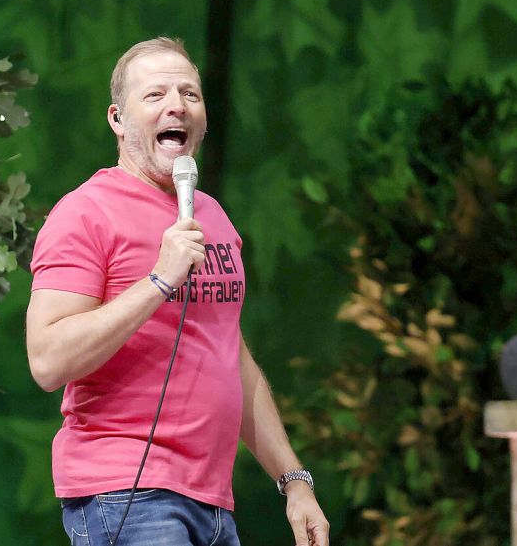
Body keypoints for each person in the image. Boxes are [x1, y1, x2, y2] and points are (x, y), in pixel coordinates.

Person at [26, 37, 330, 546]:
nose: (177, 105)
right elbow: (47, 360)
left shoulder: (212, 217)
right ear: (117, 120)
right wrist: (159, 281)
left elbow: (227, 354)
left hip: (212, 501)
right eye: (155, 95)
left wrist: (294, 482)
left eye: (190, 93)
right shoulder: (85, 213)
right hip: (126, 492)